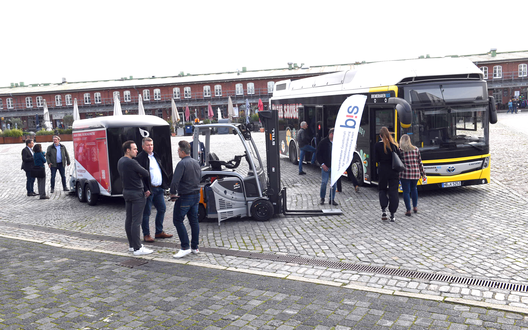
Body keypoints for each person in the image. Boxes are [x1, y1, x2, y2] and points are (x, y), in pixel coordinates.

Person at [117, 140, 153, 256]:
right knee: (136, 221)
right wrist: (139, 174)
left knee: (129, 219)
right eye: (134, 149)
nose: (137, 151)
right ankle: (138, 248)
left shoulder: (120, 161)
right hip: (137, 193)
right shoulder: (132, 162)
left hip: (126, 192)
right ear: (128, 150)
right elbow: (146, 173)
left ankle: (132, 245)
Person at [135, 137, 173, 243]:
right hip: (149, 190)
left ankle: (159, 231)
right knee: (146, 213)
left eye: (151, 144)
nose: (150, 147)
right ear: (143, 146)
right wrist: (145, 189)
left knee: (162, 209)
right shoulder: (140, 158)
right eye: (148, 145)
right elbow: (140, 176)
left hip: (159, 189)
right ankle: (146, 234)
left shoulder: (155, 155)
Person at [170, 140, 202, 258]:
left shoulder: (182, 164)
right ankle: (195, 247)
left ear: (182, 152)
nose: (177, 152)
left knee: (178, 220)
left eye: (178, 150)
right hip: (196, 195)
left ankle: (185, 247)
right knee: (194, 221)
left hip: (185, 196)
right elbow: (200, 177)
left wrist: (173, 193)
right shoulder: (196, 162)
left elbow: (175, 181)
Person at [374, 127, 402, 222]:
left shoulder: (377, 146)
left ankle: (383, 210)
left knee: (382, 189)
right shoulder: (394, 145)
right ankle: (393, 214)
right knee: (393, 191)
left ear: (380, 136)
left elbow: (376, 159)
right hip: (393, 171)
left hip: (383, 171)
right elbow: (400, 158)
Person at [399, 134, 427, 217]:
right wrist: (423, 173)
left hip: (405, 174)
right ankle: (415, 207)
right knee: (414, 189)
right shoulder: (416, 149)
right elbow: (420, 162)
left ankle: (408, 210)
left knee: (406, 192)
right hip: (415, 173)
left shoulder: (401, 150)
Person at [316, 128, 338, 206]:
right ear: (331, 134)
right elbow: (318, 154)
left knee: (334, 184)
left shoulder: (337, 143)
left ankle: (332, 199)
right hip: (326, 166)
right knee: (324, 182)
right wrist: (322, 164)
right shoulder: (323, 142)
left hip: (334, 166)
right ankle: (322, 198)